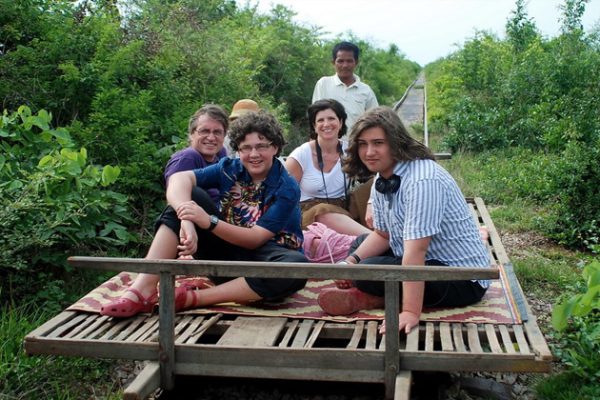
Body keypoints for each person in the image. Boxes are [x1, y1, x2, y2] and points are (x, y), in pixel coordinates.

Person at [101, 111, 307, 317]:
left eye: (261, 146)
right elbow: (179, 179)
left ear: (275, 147)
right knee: (189, 197)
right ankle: (142, 289)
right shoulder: (229, 168)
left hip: (264, 264)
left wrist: (208, 221)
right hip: (225, 255)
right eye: (246, 148)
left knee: (296, 266)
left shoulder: (286, 187)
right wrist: (187, 219)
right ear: (238, 150)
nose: (254, 154)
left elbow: (254, 239)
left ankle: (193, 299)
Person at [317, 107, 490, 335]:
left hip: (461, 277)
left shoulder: (421, 181)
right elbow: (383, 234)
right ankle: (373, 290)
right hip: (418, 257)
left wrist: (410, 312)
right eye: (363, 144)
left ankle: (376, 299)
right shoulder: (383, 174)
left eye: (378, 143)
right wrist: (348, 264)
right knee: (360, 246)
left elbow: (416, 253)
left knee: (368, 270)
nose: (369, 152)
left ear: (395, 142)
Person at [285, 99, 371, 236]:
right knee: (323, 210)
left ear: (341, 122)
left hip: (343, 207)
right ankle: (376, 240)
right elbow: (284, 196)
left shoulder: (351, 150)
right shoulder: (300, 156)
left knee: (374, 183)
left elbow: (377, 169)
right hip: (310, 212)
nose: (326, 124)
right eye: (320, 120)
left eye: (331, 118)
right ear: (314, 126)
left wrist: (371, 201)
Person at [312, 41, 378, 132]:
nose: (345, 65)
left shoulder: (366, 91)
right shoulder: (323, 84)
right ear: (333, 62)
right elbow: (315, 116)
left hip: (355, 144)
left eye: (349, 61)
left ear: (356, 62)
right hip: (327, 144)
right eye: (340, 61)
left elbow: (375, 121)